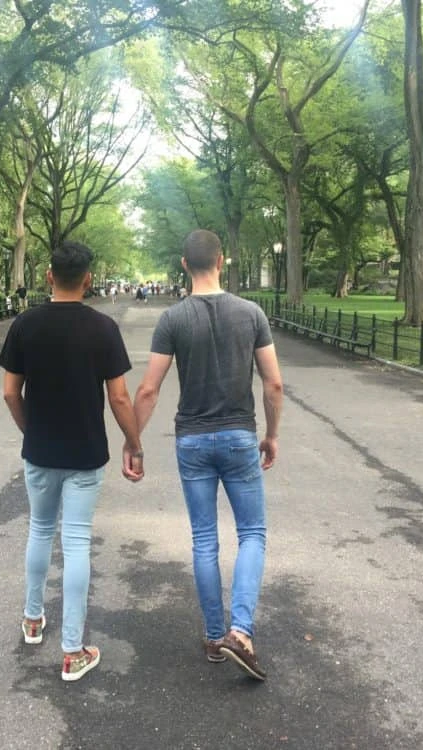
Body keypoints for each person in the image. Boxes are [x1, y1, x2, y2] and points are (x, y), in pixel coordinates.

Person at [133, 229, 283, 681]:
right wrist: (271, 434)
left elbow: (149, 388)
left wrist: (133, 441)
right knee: (252, 532)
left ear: (184, 265)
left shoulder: (173, 319)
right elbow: (273, 384)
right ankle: (241, 630)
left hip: (193, 440)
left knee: (203, 539)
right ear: (222, 261)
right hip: (239, 435)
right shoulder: (251, 313)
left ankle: (215, 637)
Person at [0, 240, 144, 682]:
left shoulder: (25, 324)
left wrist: (31, 431)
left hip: (40, 450)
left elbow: (10, 391)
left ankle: (32, 618)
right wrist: (134, 443)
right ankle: (72, 650)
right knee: (77, 541)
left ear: (47, 276)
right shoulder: (102, 329)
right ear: (88, 279)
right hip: (85, 452)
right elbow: (118, 396)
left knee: (40, 531)